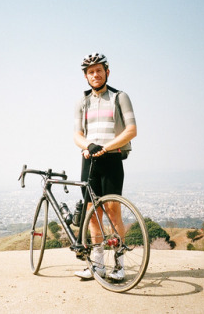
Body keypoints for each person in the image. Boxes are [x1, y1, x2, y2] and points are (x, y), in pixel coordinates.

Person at [73, 53, 137, 281]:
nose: (95, 75)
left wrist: (106, 147)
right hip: (90, 160)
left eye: (99, 70)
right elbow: (77, 135)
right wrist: (88, 145)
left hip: (111, 159)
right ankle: (98, 265)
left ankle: (119, 265)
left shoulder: (120, 97)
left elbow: (131, 130)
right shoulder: (83, 101)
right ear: (85, 76)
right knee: (92, 214)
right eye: (90, 72)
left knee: (112, 211)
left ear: (107, 72)